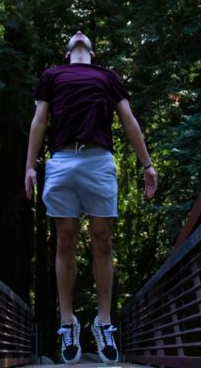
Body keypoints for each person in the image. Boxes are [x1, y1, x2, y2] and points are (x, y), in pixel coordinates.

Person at [24, 31, 158, 364]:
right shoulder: (52, 74)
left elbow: (128, 120)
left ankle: (104, 323)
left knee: (103, 240)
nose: (80, 33)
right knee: (65, 240)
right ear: (68, 51)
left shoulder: (107, 76)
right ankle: (67, 323)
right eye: (74, 35)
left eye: (85, 35)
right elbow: (39, 120)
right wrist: (29, 167)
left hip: (98, 161)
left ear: (91, 51)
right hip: (62, 160)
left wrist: (148, 165)